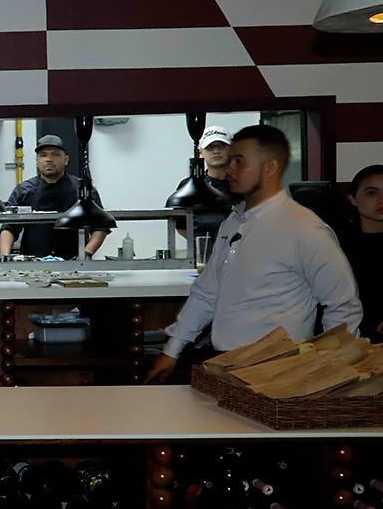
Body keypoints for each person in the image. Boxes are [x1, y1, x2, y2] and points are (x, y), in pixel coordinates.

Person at [147, 125, 362, 382]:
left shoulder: (305, 228)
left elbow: (342, 305)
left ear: (270, 168)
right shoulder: (234, 221)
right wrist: (172, 350)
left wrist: (333, 370)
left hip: (279, 367)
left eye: (239, 161)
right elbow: (207, 292)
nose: (229, 169)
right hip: (224, 361)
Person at [0, 134, 109, 259]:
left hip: (73, 263)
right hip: (32, 264)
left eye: (55, 154)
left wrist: (86, 254)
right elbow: (8, 227)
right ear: (37, 161)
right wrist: (4, 257)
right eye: (43, 155)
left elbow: (101, 226)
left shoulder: (83, 190)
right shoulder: (23, 190)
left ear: (66, 159)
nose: (49, 159)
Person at [343, 164, 383, 343]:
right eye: (371, 193)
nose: (381, 200)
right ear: (353, 199)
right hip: (349, 336)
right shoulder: (337, 244)